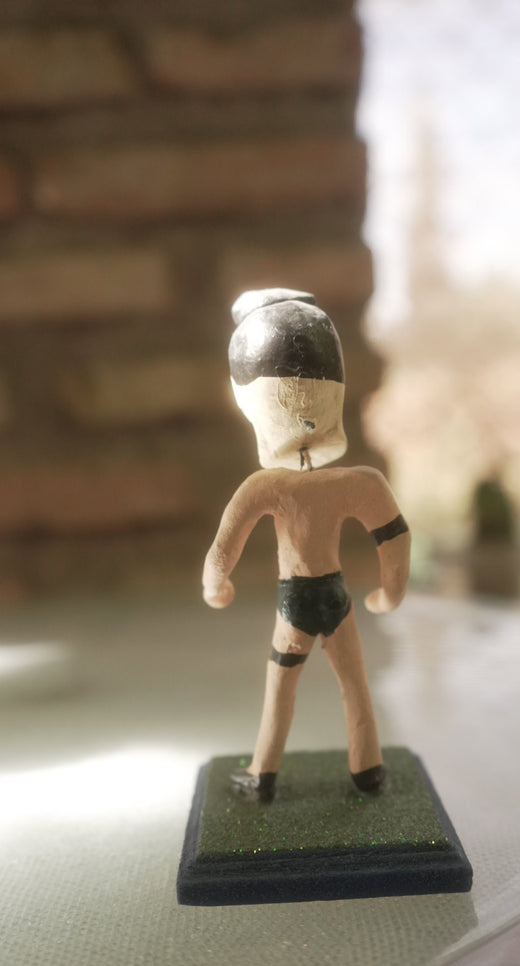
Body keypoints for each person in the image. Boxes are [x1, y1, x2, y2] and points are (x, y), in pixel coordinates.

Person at [202, 289, 410, 801]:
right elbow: (395, 539)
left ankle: (263, 774)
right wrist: (389, 594)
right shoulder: (359, 482)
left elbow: (223, 550)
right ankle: (368, 770)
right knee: (354, 684)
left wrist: (215, 587)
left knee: (281, 685)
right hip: (335, 596)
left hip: (294, 600)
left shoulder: (264, 487)